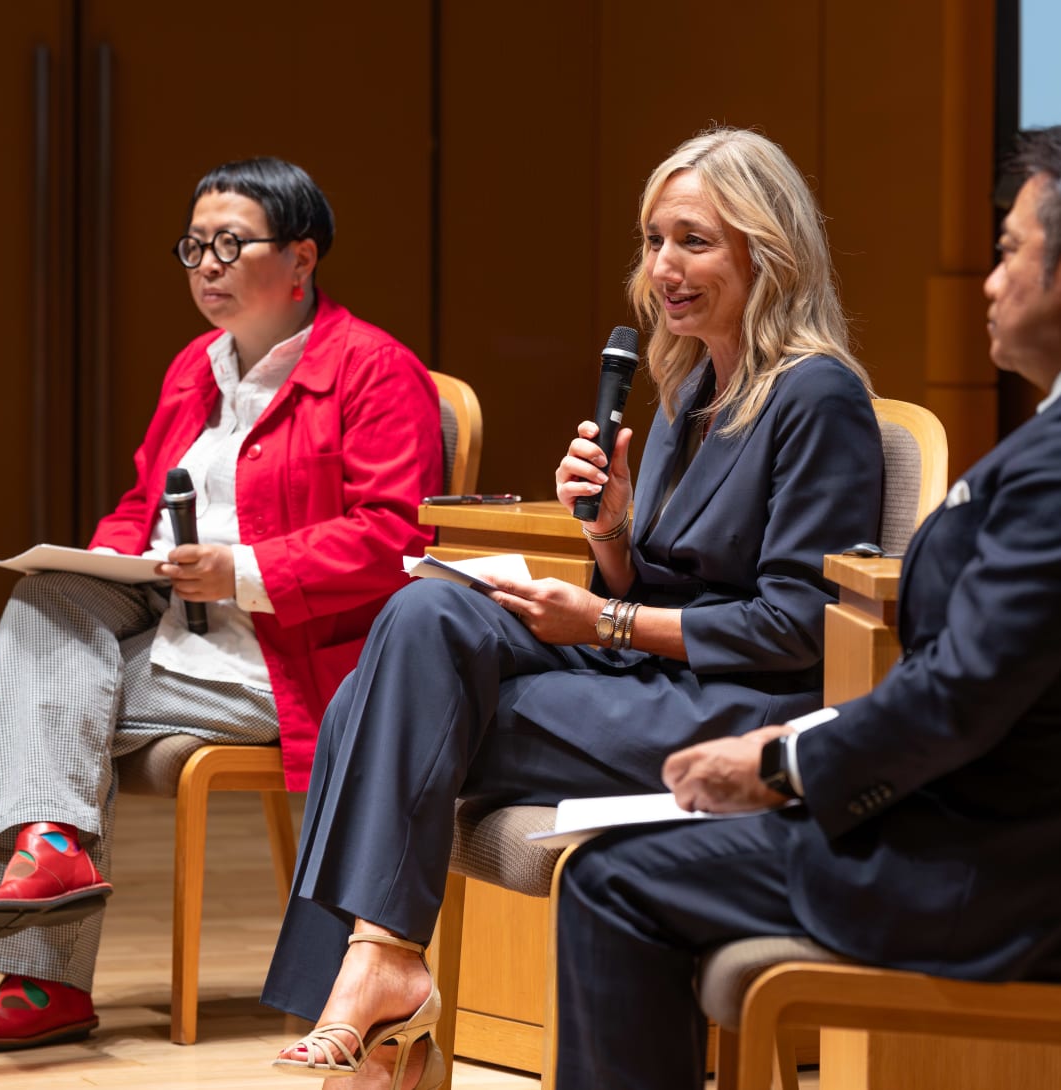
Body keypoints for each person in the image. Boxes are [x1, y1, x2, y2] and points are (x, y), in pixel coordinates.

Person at [260, 126, 884, 1090]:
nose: (663, 268)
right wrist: (613, 538)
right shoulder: (688, 388)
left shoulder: (818, 396)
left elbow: (796, 626)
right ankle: (380, 972)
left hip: (744, 709)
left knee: (372, 710)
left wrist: (601, 621)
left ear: (769, 252)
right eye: (653, 240)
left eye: (694, 241)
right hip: (652, 674)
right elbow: (654, 590)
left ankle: (374, 1001)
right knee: (424, 617)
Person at [552, 124, 1061, 1090]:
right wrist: (610, 543)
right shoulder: (1040, 446)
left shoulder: (1039, 469)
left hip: (990, 867)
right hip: (954, 814)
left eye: (1008, 252)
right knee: (441, 639)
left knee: (610, 880)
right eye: (653, 240)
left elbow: (958, 694)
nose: (988, 283)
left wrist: (785, 762)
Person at [0, 157, 443, 1051]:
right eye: (194, 246)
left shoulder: (376, 370)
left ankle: (44, 976)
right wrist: (108, 558)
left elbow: (397, 537)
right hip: (180, 635)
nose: (206, 265)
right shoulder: (197, 365)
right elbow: (141, 504)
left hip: (297, 662)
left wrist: (246, 570)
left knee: (19, 707)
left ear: (302, 258)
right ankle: (51, 862)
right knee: (46, 597)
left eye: (230, 244)